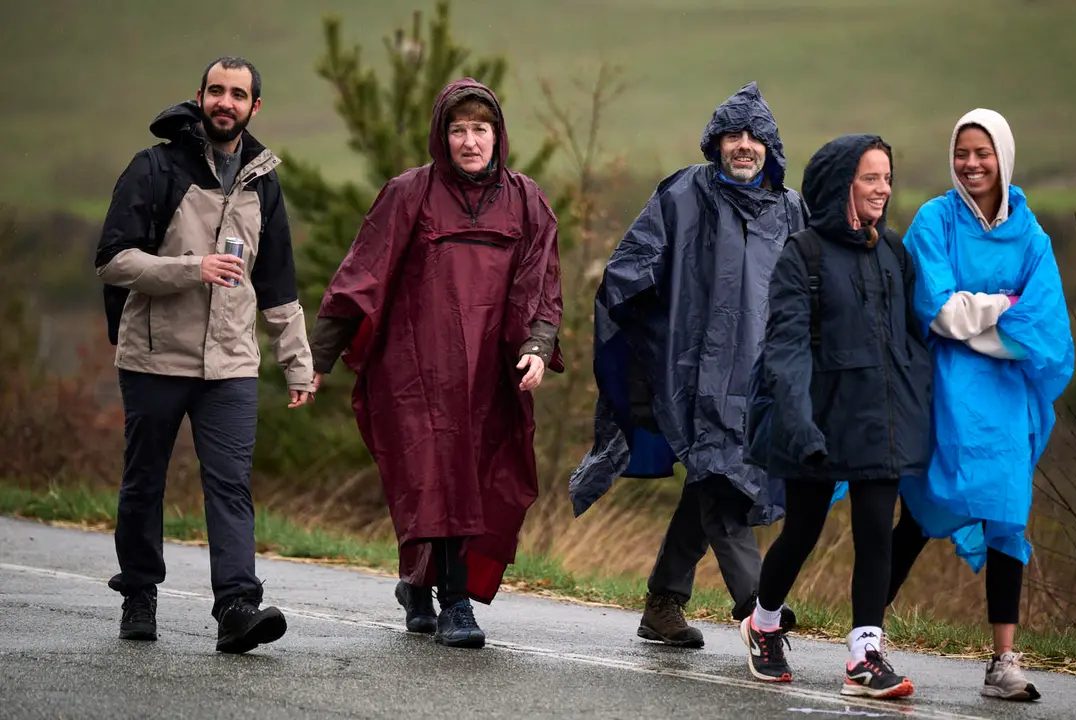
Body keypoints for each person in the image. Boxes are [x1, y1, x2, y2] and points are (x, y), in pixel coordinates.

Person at [308, 78, 563, 650]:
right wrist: (317, 356)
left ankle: (418, 585)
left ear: (498, 135)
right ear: (440, 136)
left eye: (480, 129)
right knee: (437, 477)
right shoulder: (410, 194)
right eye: (458, 130)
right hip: (417, 370)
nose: (470, 141)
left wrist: (537, 347)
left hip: (491, 373)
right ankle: (455, 603)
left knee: (484, 480)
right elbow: (360, 277)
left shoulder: (526, 200)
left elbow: (541, 284)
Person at [568, 82, 807, 648]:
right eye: (732, 135)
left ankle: (663, 603)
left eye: (754, 136)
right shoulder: (685, 194)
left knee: (711, 483)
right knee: (723, 483)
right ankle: (758, 609)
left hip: (761, 384)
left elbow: (810, 293)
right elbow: (630, 266)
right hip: (693, 378)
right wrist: (658, 330)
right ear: (716, 143)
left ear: (770, 146)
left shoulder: (791, 211)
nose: (743, 145)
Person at [93, 56, 314, 653]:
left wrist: (298, 363)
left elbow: (279, 283)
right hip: (154, 359)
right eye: (216, 91)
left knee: (231, 485)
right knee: (144, 481)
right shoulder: (155, 168)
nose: (225, 102)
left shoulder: (263, 180)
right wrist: (193, 269)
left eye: (238, 94)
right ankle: (139, 591)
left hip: (231, 367)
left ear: (253, 108)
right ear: (200, 97)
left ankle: (237, 608)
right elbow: (113, 260)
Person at [887, 108, 1075, 701]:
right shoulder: (934, 221)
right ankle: (867, 633)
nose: (971, 164)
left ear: (1003, 158)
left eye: (983, 153)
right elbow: (937, 311)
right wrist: (1004, 305)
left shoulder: (1032, 235)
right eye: (963, 153)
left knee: (1008, 520)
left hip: (1008, 401)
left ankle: (1002, 662)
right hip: (945, 395)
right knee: (922, 507)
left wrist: (976, 312)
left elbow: (1044, 326)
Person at [740, 134, 930, 699]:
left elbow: (911, 341)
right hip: (818, 423)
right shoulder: (805, 254)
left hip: (881, 422)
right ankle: (763, 623)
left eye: (887, 177)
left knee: (876, 534)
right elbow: (787, 348)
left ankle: (864, 655)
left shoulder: (894, 251)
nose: (883, 188)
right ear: (841, 183)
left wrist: (917, 405)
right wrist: (799, 424)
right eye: (871, 177)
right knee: (802, 531)